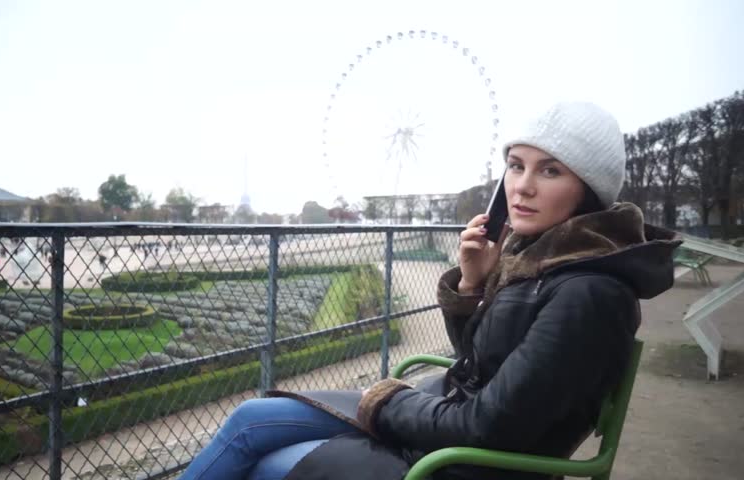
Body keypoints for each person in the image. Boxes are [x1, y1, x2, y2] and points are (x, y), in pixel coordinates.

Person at [176, 102, 682, 480]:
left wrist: (384, 401)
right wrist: (471, 284)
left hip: (459, 464)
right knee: (250, 419)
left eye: (550, 170)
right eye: (516, 164)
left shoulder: (589, 293)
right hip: (441, 422)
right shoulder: (545, 261)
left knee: (265, 461)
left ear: (589, 190)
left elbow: (489, 427)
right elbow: (481, 365)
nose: (521, 186)